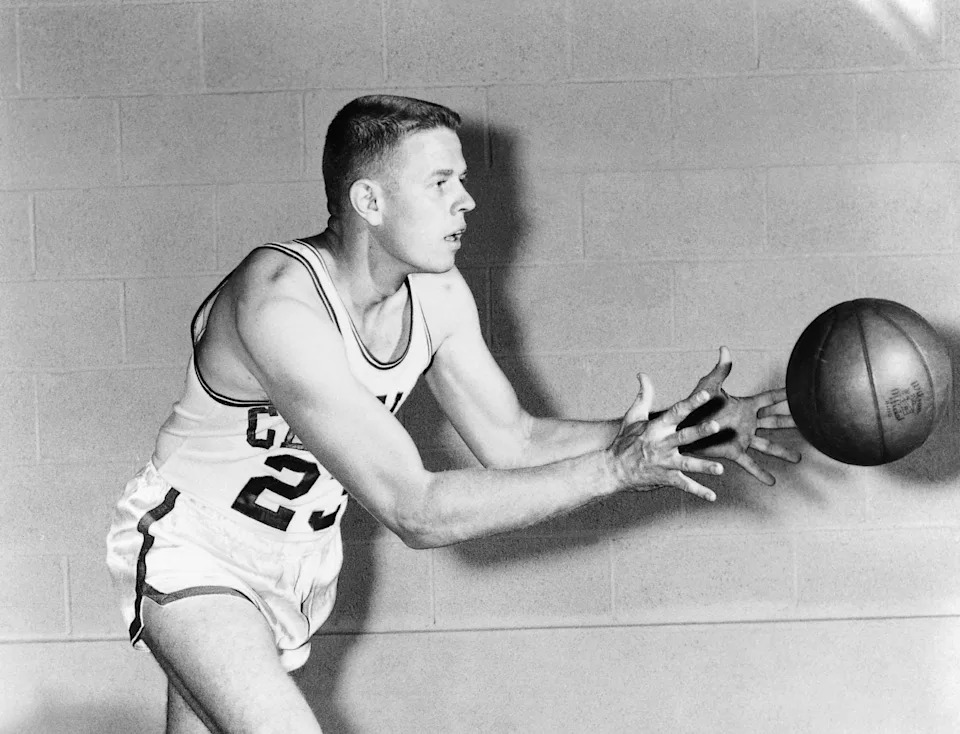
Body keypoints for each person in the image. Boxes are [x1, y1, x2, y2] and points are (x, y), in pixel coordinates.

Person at [106, 94, 800, 733]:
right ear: (369, 201)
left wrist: (680, 430)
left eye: (461, 180)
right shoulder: (280, 303)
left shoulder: (434, 295)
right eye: (440, 183)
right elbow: (416, 508)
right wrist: (615, 472)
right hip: (195, 547)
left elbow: (515, 439)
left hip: (298, 563)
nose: (466, 201)